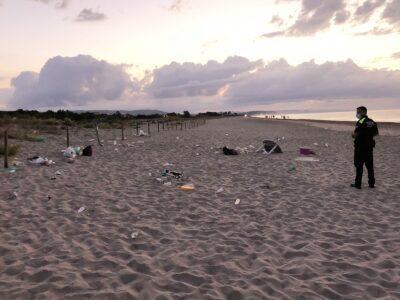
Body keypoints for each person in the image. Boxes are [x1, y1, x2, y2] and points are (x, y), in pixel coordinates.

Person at [351, 106, 379, 189]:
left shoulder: (360, 121)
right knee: (370, 166)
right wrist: (368, 136)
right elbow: (376, 134)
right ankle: (371, 184)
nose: (357, 114)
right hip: (369, 147)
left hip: (360, 147)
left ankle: (358, 184)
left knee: (359, 165)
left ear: (364, 112)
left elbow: (356, 134)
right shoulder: (372, 122)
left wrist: (353, 135)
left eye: (358, 112)